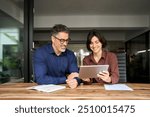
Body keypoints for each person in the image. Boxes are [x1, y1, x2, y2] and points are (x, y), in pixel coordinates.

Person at [33, 24, 81, 88]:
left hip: (66, 91)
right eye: (62, 40)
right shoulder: (41, 53)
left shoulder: (70, 55)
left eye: (67, 40)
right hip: (45, 92)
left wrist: (75, 81)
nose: (65, 44)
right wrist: (66, 78)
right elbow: (41, 79)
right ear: (53, 39)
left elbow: (75, 75)